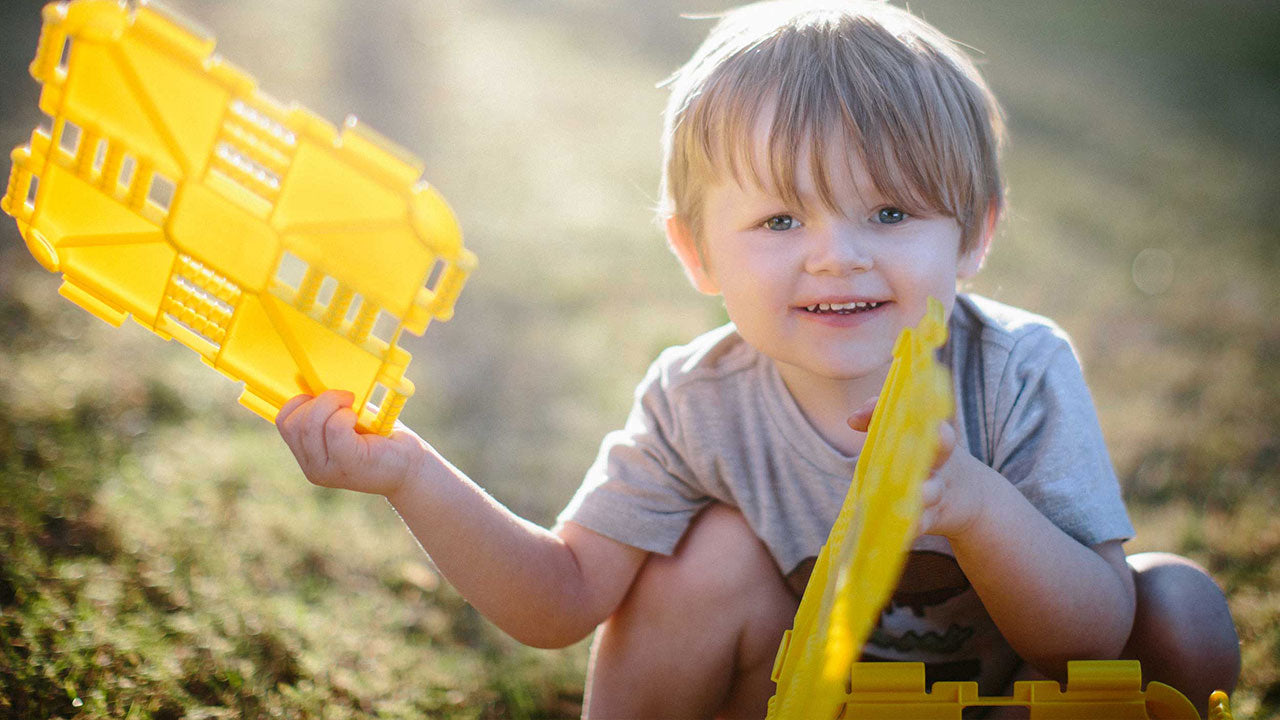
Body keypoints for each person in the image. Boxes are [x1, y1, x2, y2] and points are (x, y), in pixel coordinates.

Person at [276, 2, 1240, 717]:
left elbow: (1092, 636)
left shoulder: (1017, 370)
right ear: (695, 250)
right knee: (708, 558)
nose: (836, 256)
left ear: (974, 233)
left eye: (889, 212)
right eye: (780, 220)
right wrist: (408, 472)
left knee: (1178, 611)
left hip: (1009, 703)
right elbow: (560, 600)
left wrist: (974, 506)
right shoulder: (698, 403)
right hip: (797, 703)